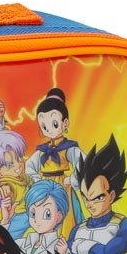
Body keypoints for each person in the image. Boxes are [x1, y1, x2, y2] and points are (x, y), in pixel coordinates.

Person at [26, 87, 85, 235]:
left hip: (63, 188)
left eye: (54, 124)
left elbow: (84, 164)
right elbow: (29, 166)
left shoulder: (69, 147)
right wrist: (37, 181)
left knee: (65, 221)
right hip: (45, 188)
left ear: (65, 123)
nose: (48, 129)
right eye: (44, 126)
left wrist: (72, 179)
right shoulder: (42, 150)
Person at [0, 129, 34, 237]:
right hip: (19, 217)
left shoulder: (23, 176)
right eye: (9, 165)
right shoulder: (7, 184)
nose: (17, 166)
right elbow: (5, 189)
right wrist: (5, 192)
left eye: (19, 159)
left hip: (32, 213)